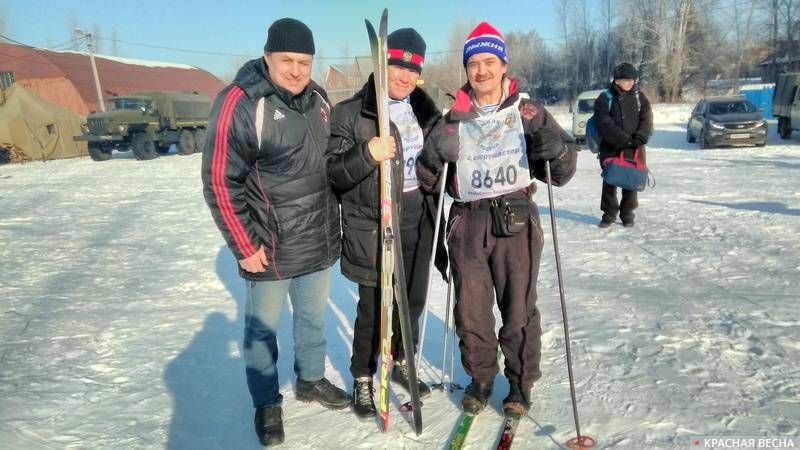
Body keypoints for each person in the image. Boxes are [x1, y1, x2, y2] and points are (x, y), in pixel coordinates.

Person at [416, 22, 577, 417]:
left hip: (516, 217)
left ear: (504, 65)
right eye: (474, 63)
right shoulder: (452, 116)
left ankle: (520, 383)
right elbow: (426, 178)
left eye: (490, 61)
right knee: (471, 309)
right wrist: (436, 153)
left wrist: (556, 150)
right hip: (468, 222)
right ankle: (482, 376)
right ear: (467, 69)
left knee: (518, 307)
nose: (482, 70)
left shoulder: (528, 111)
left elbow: (562, 171)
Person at [201, 18, 349, 446]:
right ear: (267, 57)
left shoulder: (318, 98)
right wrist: (245, 245)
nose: (297, 70)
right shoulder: (241, 101)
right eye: (287, 60)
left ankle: (311, 379)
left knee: (312, 319)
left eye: (305, 61)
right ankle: (267, 402)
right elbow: (218, 180)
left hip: (316, 239)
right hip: (270, 246)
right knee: (262, 329)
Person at [325, 28, 446, 418]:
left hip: (418, 218)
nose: (404, 77)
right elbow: (334, 173)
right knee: (373, 307)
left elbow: (440, 162)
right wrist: (367, 153)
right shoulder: (351, 113)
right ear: (382, 64)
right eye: (397, 66)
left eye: (413, 71)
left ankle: (398, 362)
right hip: (374, 224)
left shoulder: (427, 114)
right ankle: (363, 374)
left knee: (411, 301)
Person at [593, 62, 653, 228]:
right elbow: (604, 123)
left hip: (636, 147)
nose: (630, 83)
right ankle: (609, 214)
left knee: (631, 180)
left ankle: (627, 213)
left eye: (632, 80)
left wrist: (640, 137)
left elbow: (647, 119)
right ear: (616, 80)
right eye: (626, 80)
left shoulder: (640, 98)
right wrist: (623, 140)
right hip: (611, 147)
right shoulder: (604, 98)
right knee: (610, 181)